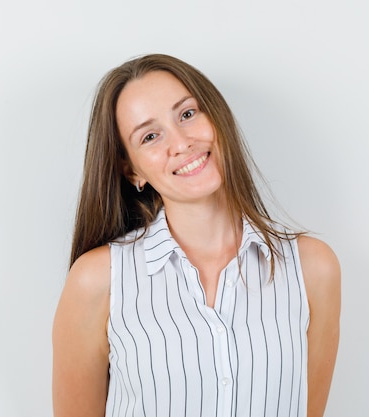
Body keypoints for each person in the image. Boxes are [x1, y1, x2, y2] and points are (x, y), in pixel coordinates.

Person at [52, 54, 340, 417]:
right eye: (151, 136)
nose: (182, 142)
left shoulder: (313, 269)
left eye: (187, 114)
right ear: (131, 171)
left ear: (216, 118)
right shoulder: (97, 281)